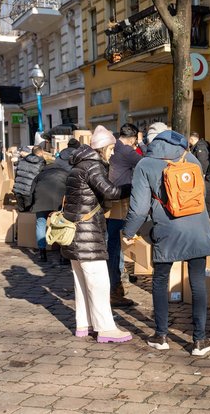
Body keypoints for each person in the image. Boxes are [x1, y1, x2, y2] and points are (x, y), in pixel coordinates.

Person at [123, 130, 210, 355]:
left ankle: (161, 335)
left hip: (167, 230)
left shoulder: (145, 164)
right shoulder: (190, 158)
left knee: (160, 280)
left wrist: (128, 232)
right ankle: (199, 340)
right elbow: (201, 195)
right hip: (198, 228)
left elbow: (139, 208)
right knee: (197, 283)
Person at [61, 125, 132, 343]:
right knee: (99, 282)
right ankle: (106, 328)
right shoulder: (92, 166)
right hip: (88, 234)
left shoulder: (78, 165)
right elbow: (109, 191)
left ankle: (84, 324)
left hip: (75, 232)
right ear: (103, 148)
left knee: (82, 283)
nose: (112, 153)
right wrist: (132, 187)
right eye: (111, 149)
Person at [107, 123, 142, 307]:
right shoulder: (127, 151)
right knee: (114, 247)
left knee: (112, 246)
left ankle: (114, 286)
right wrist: (141, 146)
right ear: (133, 138)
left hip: (107, 204)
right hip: (118, 203)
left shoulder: (112, 149)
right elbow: (144, 163)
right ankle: (115, 290)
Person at [31, 146, 72, 263]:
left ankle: (42, 253)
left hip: (41, 201)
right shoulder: (65, 173)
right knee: (61, 225)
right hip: (59, 202)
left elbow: (31, 190)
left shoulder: (41, 174)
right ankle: (63, 255)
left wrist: (28, 206)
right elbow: (70, 189)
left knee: (40, 223)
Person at [12, 146, 46, 212]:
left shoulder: (22, 160)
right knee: (29, 216)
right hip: (29, 193)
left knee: (22, 215)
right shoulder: (41, 162)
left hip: (18, 191)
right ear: (41, 152)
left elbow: (17, 175)